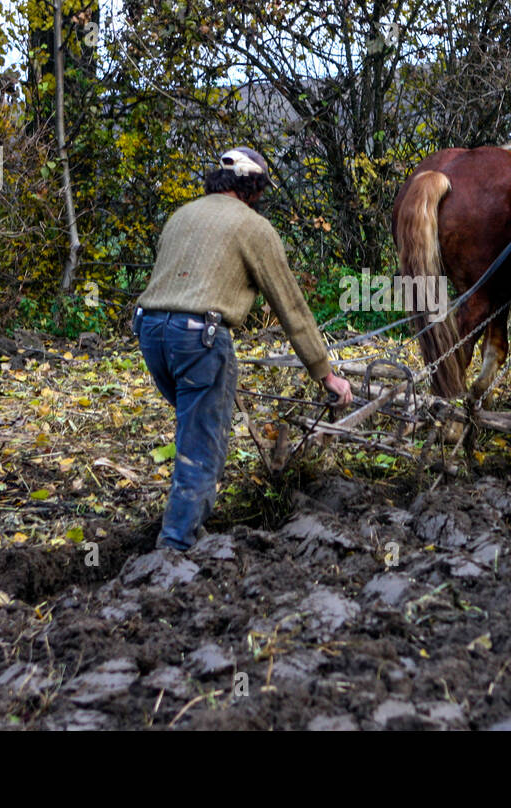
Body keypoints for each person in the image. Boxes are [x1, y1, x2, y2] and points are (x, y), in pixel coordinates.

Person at [134, 146, 352, 551]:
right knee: (203, 445)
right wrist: (326, 373)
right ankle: (176, 547)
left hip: (151, 331)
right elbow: (290, 305)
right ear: (253, 188)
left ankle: (190, 526)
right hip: (198, 336)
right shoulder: (253, 227)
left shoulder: (182, 215)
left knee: (192, 431)